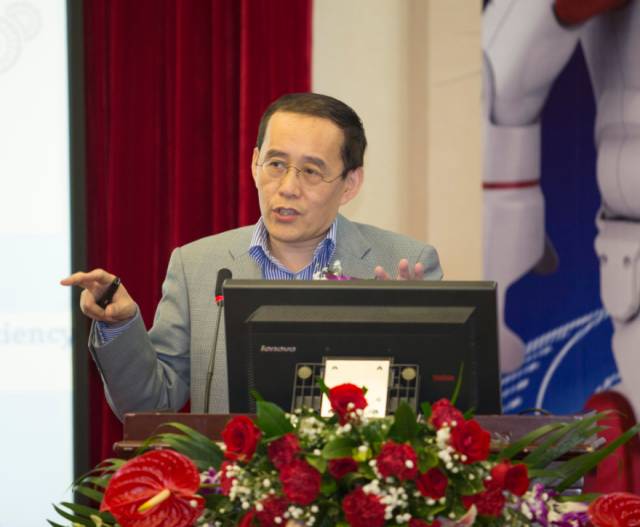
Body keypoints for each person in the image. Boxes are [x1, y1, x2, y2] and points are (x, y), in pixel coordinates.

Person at [62, 93, 442, 419]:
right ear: (254, 164)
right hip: (230, 480)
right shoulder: (197, 266)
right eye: (275, 165)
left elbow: (439, 412)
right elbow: (150, 404)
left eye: (311, 171)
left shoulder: (406, 265)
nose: (287, 187)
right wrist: (121, 325)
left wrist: (409, 337)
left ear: (350, 184)